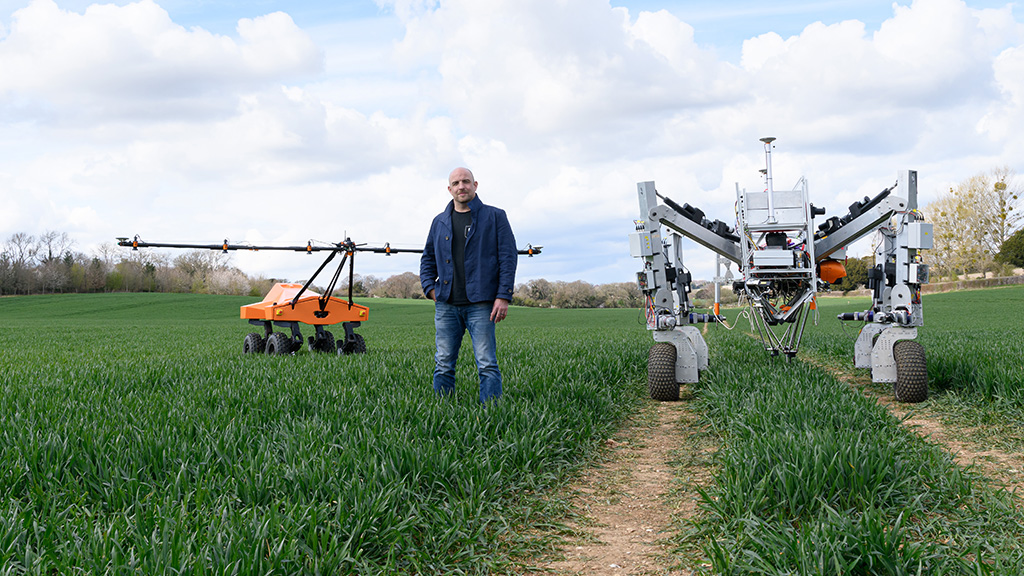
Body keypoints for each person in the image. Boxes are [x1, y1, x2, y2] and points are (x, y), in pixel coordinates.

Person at [420, 167, 518, 403]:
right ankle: (442, 411)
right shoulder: (439, 221)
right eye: (456, 183)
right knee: (443, 362)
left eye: (466, 181)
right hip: (446, 304)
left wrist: (503, 296)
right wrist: (430, 289)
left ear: (475, 185)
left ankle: (492, 412)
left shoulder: (495, 217)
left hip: (481, 304)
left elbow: (508, 257)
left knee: (486, 363)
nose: (461, 186)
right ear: (449, 189)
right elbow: (428, 258)